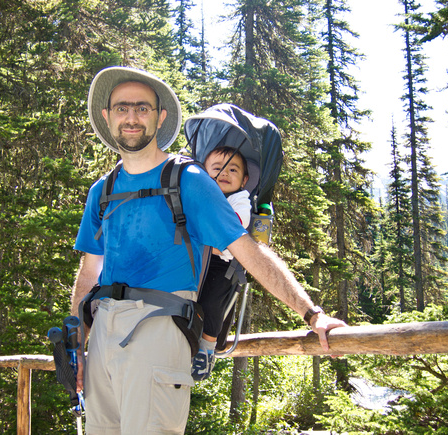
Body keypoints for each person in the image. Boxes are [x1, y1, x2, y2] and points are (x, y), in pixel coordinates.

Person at [70, 66, 347, 435]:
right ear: (107, 117)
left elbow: (247, 251)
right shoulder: (101, 191)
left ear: (160, 117)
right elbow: (89, 274)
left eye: (142, 108)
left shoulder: (189, 180)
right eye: (122, 108)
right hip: (102, 331)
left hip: (159, 326)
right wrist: (77, 346)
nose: (131, 117)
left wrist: (312, 315)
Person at [192, 146, 252, 381]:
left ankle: (206, 348)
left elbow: (227, 234)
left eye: (233, 170)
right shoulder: (198, 196)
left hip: (221, 262)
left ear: (244, 180)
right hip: (196, 257)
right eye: (217, 169)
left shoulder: (240, 201)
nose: (224, 174)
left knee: (211, 299)